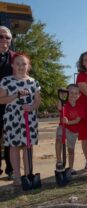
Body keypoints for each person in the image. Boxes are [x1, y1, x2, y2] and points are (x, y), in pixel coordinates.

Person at [0, 53, 41, 186]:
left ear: (28, 66)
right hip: (12, 118)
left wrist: (31, 107)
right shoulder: (6, 81)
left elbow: (37, 102)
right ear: (12, 65)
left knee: (28, 146)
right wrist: (16, 95)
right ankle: (17, 176)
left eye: (24, 64)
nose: (21, 66)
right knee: (14, 147)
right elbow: (1, 100)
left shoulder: (33, 82)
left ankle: (28, 174)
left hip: (29, 118)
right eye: (17, 63)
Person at [55, 84, 84, 174]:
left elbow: (77, 120)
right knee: (59, 140)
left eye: (76, 93)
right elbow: (59, 107)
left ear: (79, 95)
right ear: (67, 93)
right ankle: (59, 161)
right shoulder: (64, 103)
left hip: (73, 130)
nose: (73, 95)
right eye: (71, 93)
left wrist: (67, 122)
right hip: (62, 127)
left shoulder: (80, 106)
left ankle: (70, 168)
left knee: (71, 150)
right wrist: (60, 97)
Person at [0, 26, 14, 179]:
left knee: (10, 137)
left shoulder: (17, 57)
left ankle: (11, 169)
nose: (4, 40)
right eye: (0, 36)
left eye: (7, 37)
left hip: (11, 104)